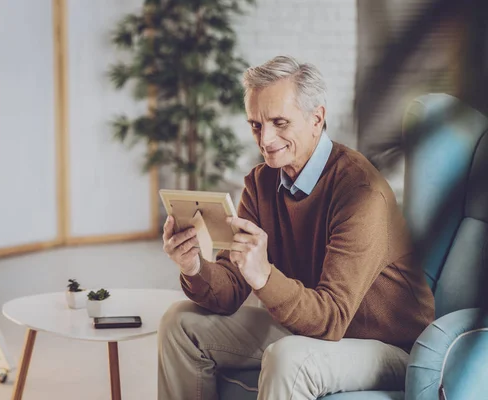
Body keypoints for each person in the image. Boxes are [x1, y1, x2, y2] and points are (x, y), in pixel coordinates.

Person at [157, 55, 435, 400]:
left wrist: (263, 275)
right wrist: (194, 267)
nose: (266, 139)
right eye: (256, 125)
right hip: (308, 325)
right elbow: (230, 290)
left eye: (279, 122)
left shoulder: (360, 192)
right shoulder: (261, 183)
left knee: (288, 359)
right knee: (179, 324)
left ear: (316, 118)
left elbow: (332, 318)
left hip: (386, 346)